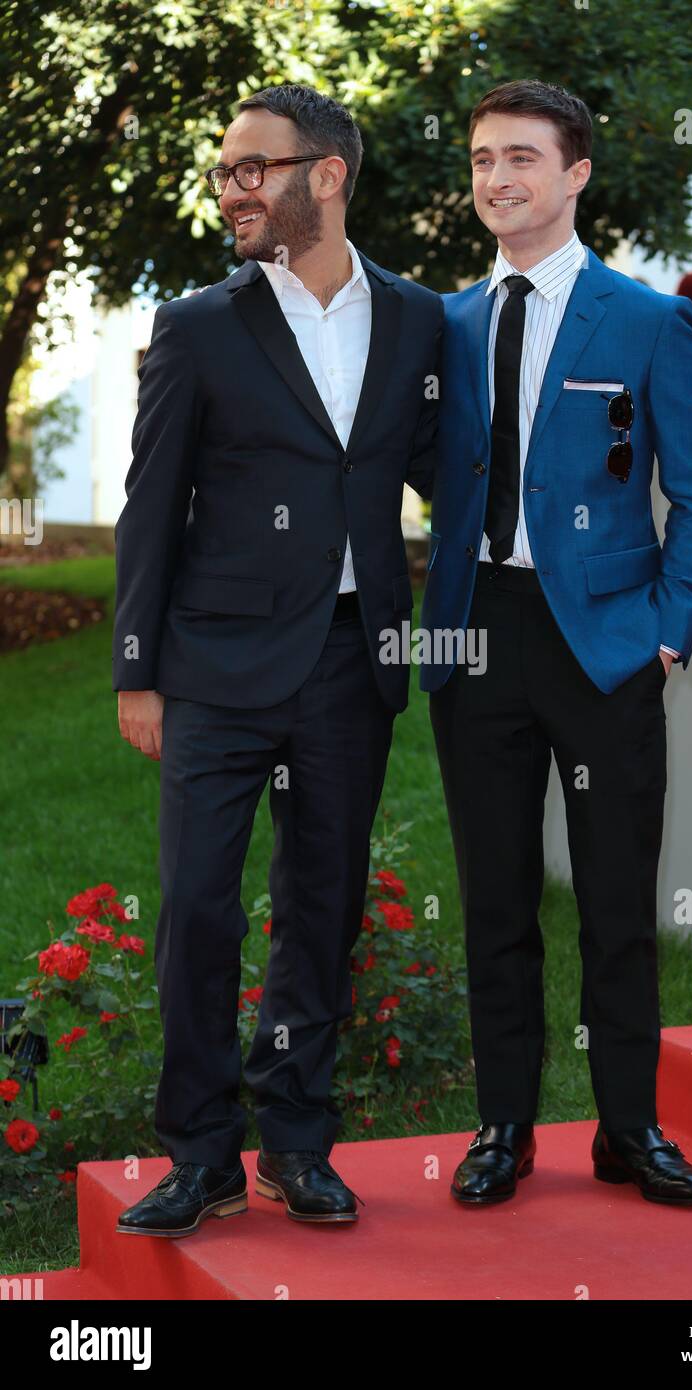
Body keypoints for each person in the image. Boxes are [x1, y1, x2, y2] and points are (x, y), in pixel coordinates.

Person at [112, 83, 441, 1235]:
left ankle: (297, 1138)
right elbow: (149, 508)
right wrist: (136, 670)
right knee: (198, 906)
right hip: (212, 669)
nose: (232, 191)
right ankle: (198, 1150)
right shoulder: (198, 324)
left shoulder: (414, 319)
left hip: (350, 666)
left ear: (328, 175)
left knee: (322, 906)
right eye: (224, 174)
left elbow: (448, 476)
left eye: (253, 168)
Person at [420, 79, 692, 1207]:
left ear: (575, 174)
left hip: (604, 643)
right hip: (474, 637)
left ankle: (627, 1129)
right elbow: (432, 466)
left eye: (519, 158)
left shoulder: (648, 321)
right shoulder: (444, 324)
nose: (495, 179)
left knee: (611, 898)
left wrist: (667, 632)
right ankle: (502, 1125)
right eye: (481, 160)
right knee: (494, 898)